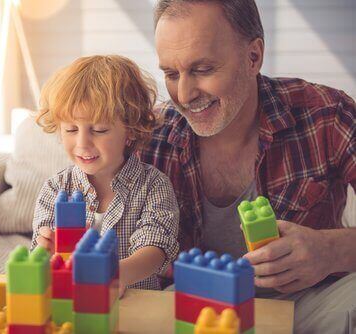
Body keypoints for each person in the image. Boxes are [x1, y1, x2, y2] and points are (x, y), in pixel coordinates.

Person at [141, 0, 356, 332]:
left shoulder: (327, 113)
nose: (183, 94)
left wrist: (332, 250)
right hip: (194, 307)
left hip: (304, 304)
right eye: (171, 73)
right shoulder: (153, 136)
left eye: (203, 69)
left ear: (253, 57)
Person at [31, 55, 179, 293]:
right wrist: (45, 253)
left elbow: (155, 248)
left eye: (99, 129)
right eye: (70, 129)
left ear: (130, 130)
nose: (82, 143)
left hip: (135, 302)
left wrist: (115, 275)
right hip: (72, 304)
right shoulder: (55, 189)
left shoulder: (154, 185)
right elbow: (39, 253)